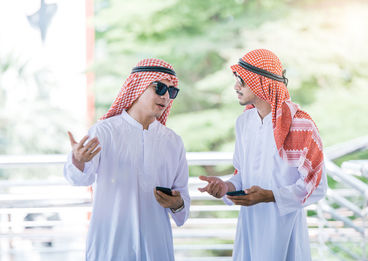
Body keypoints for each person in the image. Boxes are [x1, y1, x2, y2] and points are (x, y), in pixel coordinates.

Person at [198, 49, 327, 260]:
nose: (235, 87)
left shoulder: (301, 124)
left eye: (242, 80)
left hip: (285, 231)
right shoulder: (244, 122)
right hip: (249, 227)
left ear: (262, 83)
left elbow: (317, 186)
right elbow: (241, 176)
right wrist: (225, 187)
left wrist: (269, 196)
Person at [64, 58, 190, 261]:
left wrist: (177, 203)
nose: (166, 96)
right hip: (112, 244)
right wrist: (78, 160)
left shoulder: (173, 142)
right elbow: (80, 180)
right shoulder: (104, 132)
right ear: (138, 86)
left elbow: (183, 203)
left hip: (156, 245)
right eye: (159, 88)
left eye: (171, 91)